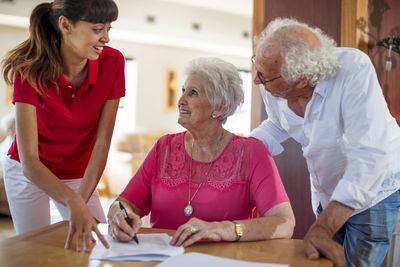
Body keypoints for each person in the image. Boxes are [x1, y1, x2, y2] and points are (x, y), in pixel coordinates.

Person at [250, 17, 400, 267]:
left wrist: (323, 227)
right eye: (256, 66)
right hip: (325, 191)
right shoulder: (272, 82)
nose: (256, 80)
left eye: (264, 77)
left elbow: (369, 156)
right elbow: (276, 125)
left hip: (374, 189)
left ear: (301, 80)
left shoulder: (353, 70)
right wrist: (236, 151)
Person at [108, 57, 295, 247]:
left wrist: (224, 229)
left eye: (193, 93)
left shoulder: (252, 153)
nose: (181, 100)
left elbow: (284, 223)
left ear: (219, 107)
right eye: (183, 91)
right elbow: (125, 203)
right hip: (161, 259)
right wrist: (118, 213)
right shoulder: (163, 148)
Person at [1, 0, 125, 252]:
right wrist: (72, 202)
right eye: (97, 29)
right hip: (30, 171)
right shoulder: (29, 70)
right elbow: (30, 162)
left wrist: (78, 200)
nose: (106, 38)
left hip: (78, 172)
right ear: (65, 25)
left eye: (109, 29)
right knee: (35, 250)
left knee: (94, 244)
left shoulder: (113, 62)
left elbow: (102, 143)